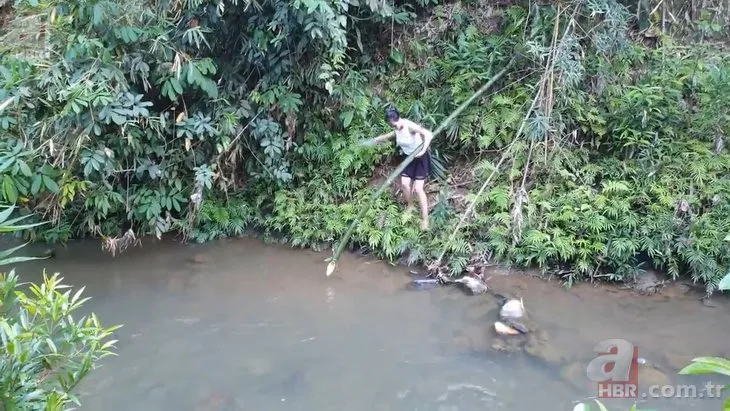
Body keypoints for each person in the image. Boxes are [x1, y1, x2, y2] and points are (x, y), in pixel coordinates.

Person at [369, 106, 434, 230]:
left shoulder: (409, 126)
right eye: (392, 126)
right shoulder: (396, 129)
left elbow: (428, 134)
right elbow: (388, 136)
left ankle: (425, 220)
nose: (395, 127)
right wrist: (374, 140)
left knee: (418, 189)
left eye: (395, 124)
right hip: (408, 158)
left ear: (398, 119)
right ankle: (410, 206)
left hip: (420, 157)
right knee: (404, 184)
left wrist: (423, 150)